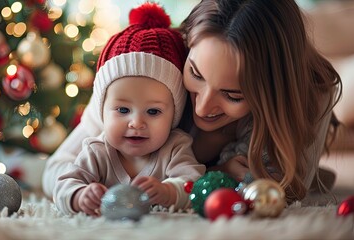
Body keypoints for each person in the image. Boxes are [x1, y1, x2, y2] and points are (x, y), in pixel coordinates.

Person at [43, 0, 342, 204]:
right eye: (195, 74)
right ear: (187, 46)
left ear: (272, 93)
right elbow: (57, 168)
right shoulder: (144, 70)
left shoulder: (311, 96)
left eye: (233, 95)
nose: (202, 107)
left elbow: (283, 191)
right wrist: (215, 176)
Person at [53, 3, 205, 216]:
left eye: (153, 112)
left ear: (174, 115)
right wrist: (79, 195)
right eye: (123, 110)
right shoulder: (97, 150)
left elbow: (193, 183)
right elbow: (63, 183)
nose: (136, 123)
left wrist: (169, 191)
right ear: (102, 111)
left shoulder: (175, 148)